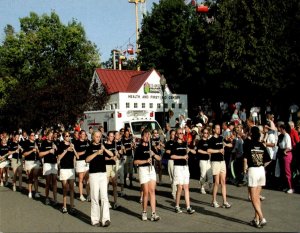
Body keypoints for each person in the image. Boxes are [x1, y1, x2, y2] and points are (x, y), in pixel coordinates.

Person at [243, 126, 270, 228]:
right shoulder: (262, 145)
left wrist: (244, 169)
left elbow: (245, 159)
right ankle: (256, 219)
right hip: (261, 171)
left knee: (253, 197)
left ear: (251, 134)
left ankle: (262, 218)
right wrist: (262, 165)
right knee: (257, 197)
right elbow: (268, 159)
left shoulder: (248, 144)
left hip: (253, 170)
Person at [86, 131, 113, 227]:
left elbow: (111, 155)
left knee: (104, 197)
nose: (98, 138)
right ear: (93, 137)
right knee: (94, 197)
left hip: (103, 173)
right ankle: (95, 220)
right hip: (94, 174)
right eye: (96, 137)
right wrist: (97, 153)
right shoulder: (90, 147)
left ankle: (105, 219)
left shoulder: (102, 146)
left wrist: (104, 149)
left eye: (99, 137)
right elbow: (87, 159)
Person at [134, 129, 160, 221]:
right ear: (142, 137)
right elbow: (135, 161)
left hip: (151, 169)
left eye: (148, 136)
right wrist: (145, 161)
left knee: (152, 191)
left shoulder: (151, 147)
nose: (147, 137)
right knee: (145, 192)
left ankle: (153, 213)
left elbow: (159, 158)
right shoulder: (139, 148)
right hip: (143, 169)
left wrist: (153, 154)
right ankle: (144, 211)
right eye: (145, 136)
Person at [171, 128, 195, 214]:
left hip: (185, 167)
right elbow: (172, 156)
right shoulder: (174, 144)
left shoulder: (185, 144)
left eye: (182, 133)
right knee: (180, 187)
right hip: (178, 167)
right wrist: (182, 157)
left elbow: (194, 151)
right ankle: (177, 206)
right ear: (177, 135)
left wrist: (190, 150)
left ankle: (188, 207)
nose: (181, 134)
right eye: (179, 133)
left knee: (186, 187)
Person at [207, 124, 231, 208]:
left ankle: (225, 201)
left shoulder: (221, 138)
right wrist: (218, 151)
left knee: (223, 182)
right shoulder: (211, 139)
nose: (219, 129)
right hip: (215, 162)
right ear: (213, 130)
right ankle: (213, 201)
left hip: (222, 161)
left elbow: (225, 144)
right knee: (217, 182)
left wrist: (228, 145)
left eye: (219, 128)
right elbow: (208, 150)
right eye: (217, 128)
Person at [57, 131, 79, 214]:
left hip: (71, 169)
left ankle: (72, 206)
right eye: (66, 136)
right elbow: (59, 157)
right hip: (63, 169)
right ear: (63, 137)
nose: (68, 137)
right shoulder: (61, 145)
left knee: (72, 189)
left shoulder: (72, 144)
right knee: (65, 188)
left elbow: (77, 156)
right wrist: (66, 150)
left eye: (69, 136)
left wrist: (73, 148)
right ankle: (65, 206)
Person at [39, 130, 58, 205]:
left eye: (52, 135)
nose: (51, 136)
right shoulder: (44, 143)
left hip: (54, 164)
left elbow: (58, 153)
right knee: (48, 182)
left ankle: (55, 199)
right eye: (49, 135)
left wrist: (56, 149)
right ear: (47, 136)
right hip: (47, 164)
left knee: (54, 182)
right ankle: (47, 198)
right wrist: (48, 151)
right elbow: (40, 154)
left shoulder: (55, 142)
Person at [22, 131, 41, 199]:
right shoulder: (26, 143)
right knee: (30, 177)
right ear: (29, 136)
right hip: (29, 162)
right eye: (32, 135)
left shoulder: (36, 143)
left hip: (36, 162)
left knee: (35, 176)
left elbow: (40, 154)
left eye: (34, 135)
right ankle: (30, 192)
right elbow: (24, 154)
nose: (33, 136)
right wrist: (32, 150)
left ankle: (36, 192)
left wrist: (37, 149)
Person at [104, 131, 120, 209]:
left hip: (114, 165)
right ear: (107, 137)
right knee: (106, 184)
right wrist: (111, 157)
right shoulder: (104, 145)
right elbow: (104, 157)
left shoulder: (115, 144)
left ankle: (115, 202)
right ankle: (107, 202)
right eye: (111, 136)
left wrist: (116, 156)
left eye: (113, 136)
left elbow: (116, 155)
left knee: (115, 184)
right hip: (106, 166)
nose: (112, 137)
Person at [278, 123, 294, 194]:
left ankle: (291, 187)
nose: (279, 130)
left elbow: (289, 147)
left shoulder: (287, 136)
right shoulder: (283, 136)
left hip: (287, 154)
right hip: (283, 154)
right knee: (284, 171)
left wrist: (285, 151)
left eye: (280, 128)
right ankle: (287, 186)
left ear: (283, 129)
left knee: (288, 171)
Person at [74, 130, 90, 202]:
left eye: (84, 134)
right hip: (80, 162)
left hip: (87, 161)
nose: (83, 135)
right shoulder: (76, 142)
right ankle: (81, 195)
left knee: (87, 179)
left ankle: (88, 194)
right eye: (82, 134)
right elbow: (76, 154)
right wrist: (83, 152)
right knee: (81, 179)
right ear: (80, 135)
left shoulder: (87, 142)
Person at [197, 128, 213, 194]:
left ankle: (210, 188)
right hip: (202, 160)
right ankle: (202, 188)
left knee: (210, 175)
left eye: (207, 133)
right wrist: (206, 152)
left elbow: (211, 150)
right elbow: (198, 150)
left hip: (209, 160)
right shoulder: (200, 141)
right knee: (203, 174)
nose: (206, 134)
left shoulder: (209, 141)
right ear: (202, 133)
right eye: (205, 133)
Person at [164, 129, 176, 199]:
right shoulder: (168, 143)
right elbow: (167, 151)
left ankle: (175, 192)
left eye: (175, 134)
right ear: (170, 135)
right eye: (172, 134)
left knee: (176, 177)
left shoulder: (177, 142)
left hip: (177, 161)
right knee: (172, 178)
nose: (174, 135)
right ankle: (174, 191)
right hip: (170, 161)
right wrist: (174, 152)